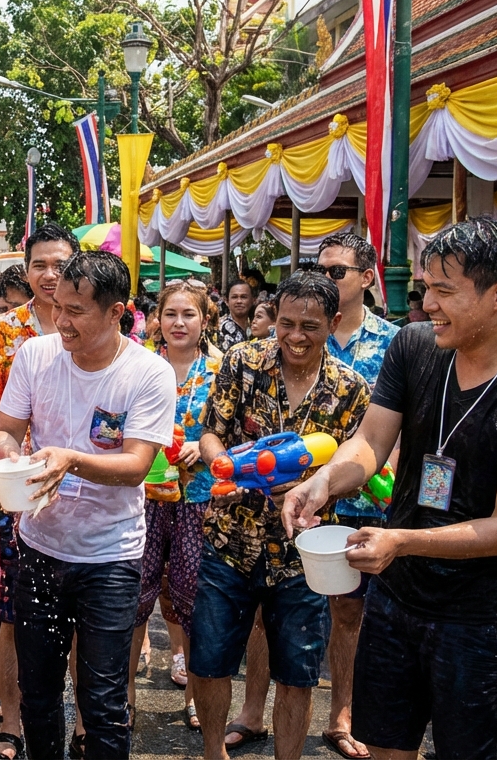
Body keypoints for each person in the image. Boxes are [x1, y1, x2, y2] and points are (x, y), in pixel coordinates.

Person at [283, 218, 497, 760]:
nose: (428, 304)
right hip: (396, 598)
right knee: (385, 745)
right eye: (425, 288)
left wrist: (402, 541)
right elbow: (371, 440)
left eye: (444, 291)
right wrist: (324, 480)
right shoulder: (415, 346)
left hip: (478, 619)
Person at [0, 250, 177, 760]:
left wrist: (69, 460)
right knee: (38, 692)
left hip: (109, 558)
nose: (61, 321)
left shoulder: (149, 373)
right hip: (40, 547)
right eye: (58, 307)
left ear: (116, 312)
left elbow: (136, 466)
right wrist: (11, 458)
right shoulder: (35, 355)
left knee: (104, 702)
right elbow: (6, 431)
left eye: (76, 311)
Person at [191, 271, 372, 760]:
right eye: (286, 323)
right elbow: (211, 431)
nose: (295, 336)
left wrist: (313, 488)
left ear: (334, 322)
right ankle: (213, 754)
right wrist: (223, 466)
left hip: (302, 558)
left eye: (310, 326)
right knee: (208, 662)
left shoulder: (351, 389)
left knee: (297, 674)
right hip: (229, 541)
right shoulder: (242, 362)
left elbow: (359, 465)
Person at [0, 224, 76, 760]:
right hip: (14, 493)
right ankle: (10, 726)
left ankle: (85, 725)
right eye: (40, 265)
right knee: (12, 614)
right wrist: (6, 461)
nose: (50, 275)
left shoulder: (100, 325)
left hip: (82, 491)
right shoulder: (2, 333)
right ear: (26, 270)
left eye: (61, 264)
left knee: (82, 614)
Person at [312, 232, 399, 759]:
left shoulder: (396, 343)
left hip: (371, 499)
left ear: (366, 278)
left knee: (357, 613)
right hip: (301, 496)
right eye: (318, 269)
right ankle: (258, 710)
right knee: (283, 609)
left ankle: (345, 714)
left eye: (336, 271)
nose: (324, 279)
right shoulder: (302, 331)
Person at [130, 279, 221, 733]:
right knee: (134, 595)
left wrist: (203, 447)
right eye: (171, 314)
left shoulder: (222, 370)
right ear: (157, 320)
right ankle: (125, 697)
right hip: (144, 495)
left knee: (194, 597)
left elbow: (236, 433)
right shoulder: (139, 365)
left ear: (205, 320)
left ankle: (195, 699)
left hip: (200, 498)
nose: (179, 323)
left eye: (189, 314)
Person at [217, 280, 253, 351]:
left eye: (243, 297)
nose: (239, 301)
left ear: (252, 300)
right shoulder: (221, 328)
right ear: (227, 301)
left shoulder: (255, 325)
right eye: (234, 297)